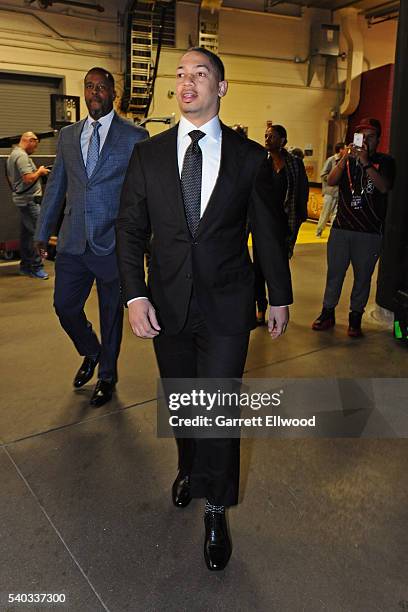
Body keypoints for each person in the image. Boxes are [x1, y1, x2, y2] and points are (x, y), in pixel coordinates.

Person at [116, 47, 292, 571]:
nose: (187, 82)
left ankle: (216, 505)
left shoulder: (249, 158)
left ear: (221, 86)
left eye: (200, 74)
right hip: (166, 303)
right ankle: (189, 467)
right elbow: (129, 230)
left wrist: (279, 294)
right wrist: (134, 293)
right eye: (181, 75)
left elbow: (268, 233)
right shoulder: (148, 154)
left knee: (215, 407)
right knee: (183, 401)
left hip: (227, 305)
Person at [34, 67, 148, 406]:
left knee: (111, 314)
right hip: (73, 241)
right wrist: (43, 232)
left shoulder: (134, 136)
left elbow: (142, 194)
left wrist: (143, 242)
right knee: (65, 306)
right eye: (89, 86)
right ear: (83, 92)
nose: (94, 92)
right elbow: (57, 186)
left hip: (113, 243)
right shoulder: (69, 136)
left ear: (114, 92)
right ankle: (91, 351)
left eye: (101, 87)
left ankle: (107, 376)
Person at [312, 118, 395, 337]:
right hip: (342, 228)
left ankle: (355, 317)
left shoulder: (385, 161)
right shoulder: (346, 161)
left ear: (379, 139)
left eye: (371, 136)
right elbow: (331, 180)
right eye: (361, 136)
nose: (366, 140)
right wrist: (343, 159)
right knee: (335, 275)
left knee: (362, 278)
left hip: (369, 232)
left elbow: (384, 187)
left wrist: (366, 162)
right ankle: (327, 313)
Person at [253, 124, 309, 324]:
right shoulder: (260, 161)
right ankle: (260, 307)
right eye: (266, 135)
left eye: (272, 136)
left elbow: (302, 192)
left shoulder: (294, 164)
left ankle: (279, 304)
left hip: (284, 223)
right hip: (261, 223)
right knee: (258, 267)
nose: (267, 139)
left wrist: (299, 218)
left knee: (278, 265)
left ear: (283, 140)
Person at [6, 132, 50, 279]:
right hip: (29, 201)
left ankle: (25, 266)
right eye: (35, 145)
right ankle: (36, 267)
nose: (35, 149)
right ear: (31, 141)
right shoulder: (22, 156)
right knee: (38, 235)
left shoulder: (14, 154)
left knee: (26, 236)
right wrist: (40, 171)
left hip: (23, 200)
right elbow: (28, 178)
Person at [316, 142, 346, 238]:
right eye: (345, 148)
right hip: (330, 192)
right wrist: (332, 179)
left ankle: (334, 233)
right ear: (340, 150)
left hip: (339, 193)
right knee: (325, 213)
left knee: (336, 215)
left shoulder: (345, 161)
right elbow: (323, 174)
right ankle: (319, 230)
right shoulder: (331, 160)